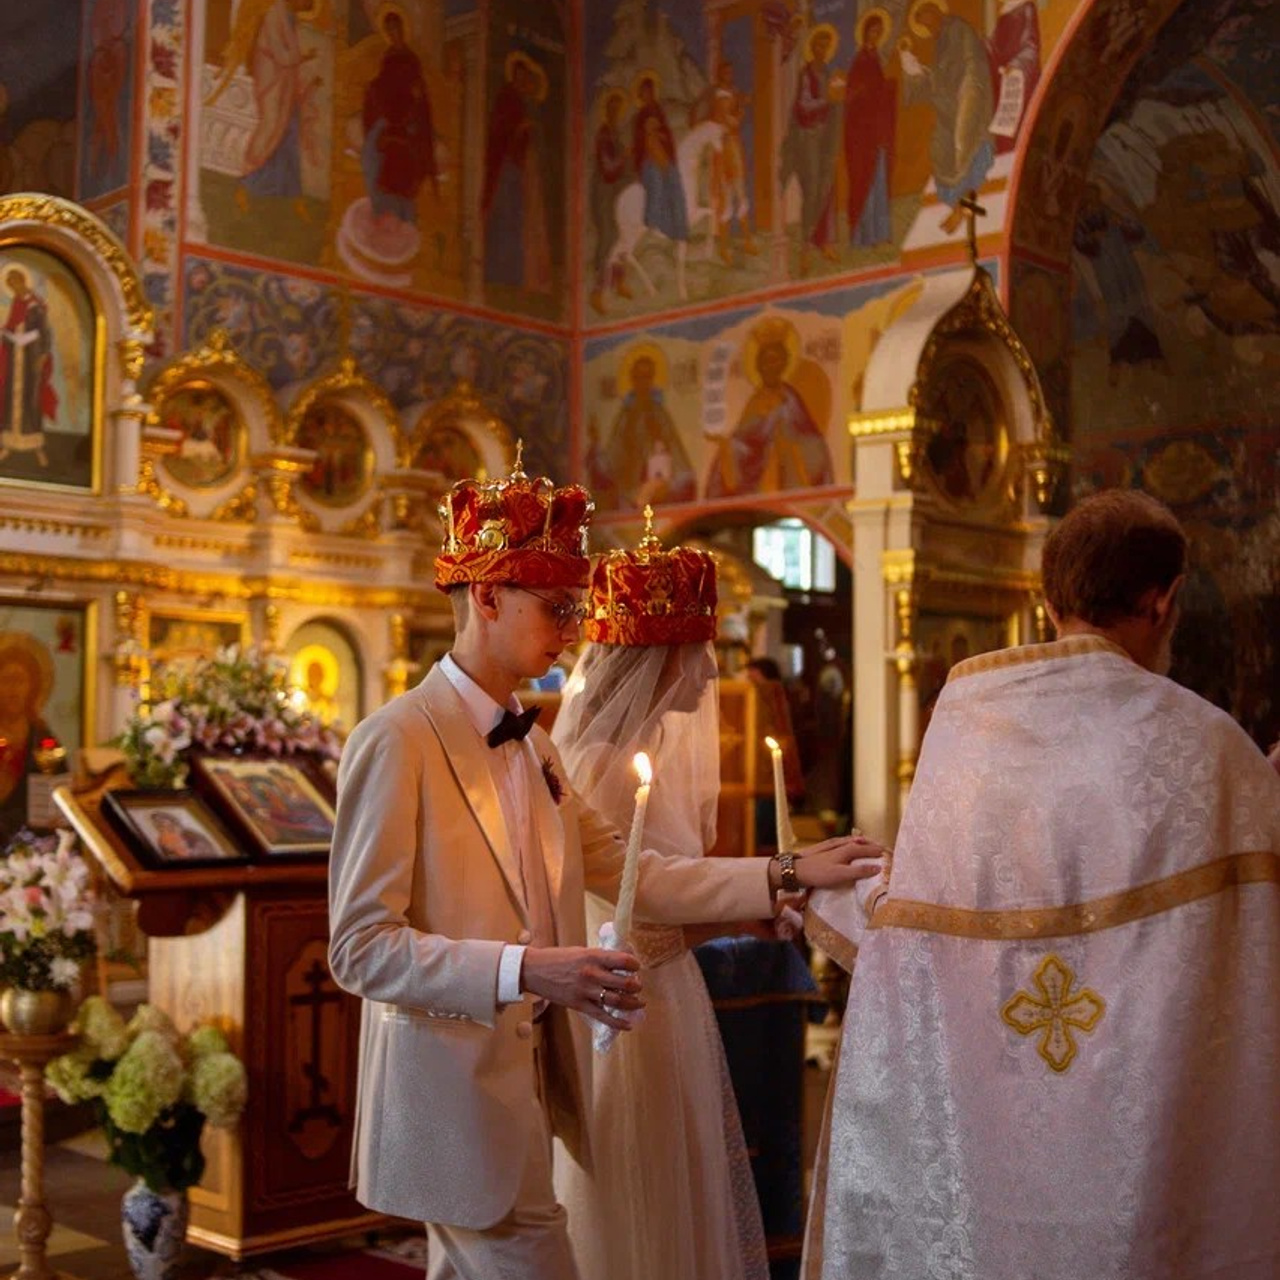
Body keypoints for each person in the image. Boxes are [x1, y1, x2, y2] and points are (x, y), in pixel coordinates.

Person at [327, 450, 884, 1280]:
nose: (574, 627)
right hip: (454, 1097)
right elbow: (361, 949)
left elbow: (636, 873)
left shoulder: (537, 745)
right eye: (556, 606)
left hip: (531, 1094)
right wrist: (528, 971)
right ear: (485, 596)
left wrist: (783, 872)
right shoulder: (397, 740)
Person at [802, 488, 1280, 1280]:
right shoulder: (1208, 748)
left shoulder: (967, 730)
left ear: (1048, 599)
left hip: (996, 1112)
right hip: (1144, 1120)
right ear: (1162, 602)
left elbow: (915, 942)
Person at [550, 521, 769, 1280]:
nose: (711, 678)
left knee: (676, 1197)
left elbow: (668, 909)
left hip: (667, 992)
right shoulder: (602, 763)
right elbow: (644, 894)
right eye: (700, 655)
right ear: (662, 654)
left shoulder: (647, 752)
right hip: (625, 1010)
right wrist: (776, 879)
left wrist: (748, 910)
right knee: (633, 1203)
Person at [899, 1, 994, 235]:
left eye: (926, 17)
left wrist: (968, 93)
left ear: (936, 11)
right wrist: (915, 73)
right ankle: (957, 204)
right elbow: (939, 83)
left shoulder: (958, 28)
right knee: (938, 149)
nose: (927, 26)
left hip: (971, 95)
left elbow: (973, 62)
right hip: (949, 108)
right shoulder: (938, 43)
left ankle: (965, 203)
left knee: (965, 141)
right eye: (922, 23)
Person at [481, 52, 552, 294]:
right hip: (506, 166)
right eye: (519, 76)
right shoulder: (506, 98)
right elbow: (498, 131)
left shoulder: (526, 103)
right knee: (504, 218)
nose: (523, 81)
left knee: (518, 220)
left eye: (526, 77)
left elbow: (538, 141)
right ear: (512, 76)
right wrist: (518, 129)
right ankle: (497, 272)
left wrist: (527, 131)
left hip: (521, 168)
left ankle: (516, 276)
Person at [360, 9, 437, 228]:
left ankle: (403, 217)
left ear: (402, 30)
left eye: (396, 29)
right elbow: (384, 85)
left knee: (401, 159)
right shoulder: (387, 57)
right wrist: (371, 89)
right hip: (388, 115)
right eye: (389, 30)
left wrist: (414, 102)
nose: (393, 34)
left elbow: (417, 91)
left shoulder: (411, 59)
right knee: (370, 154)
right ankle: (380, 208)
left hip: (408, 118)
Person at [779, 24, 841, 272]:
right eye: (819, 45)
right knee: (813, 188)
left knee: (827, 186)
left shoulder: (827, 74)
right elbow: (804, 106)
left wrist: (839, 99)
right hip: (809, 138)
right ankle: (805, 246)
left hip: (826, 137)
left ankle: (824, 241)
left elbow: (835, 104)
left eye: (826, 46)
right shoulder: (807, 75)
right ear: (812, 48)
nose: (822, 49)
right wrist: (828, 100)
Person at [842, 9, 896, 247]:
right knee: (864, 178)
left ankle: (880, 233)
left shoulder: (875, 60)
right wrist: (864, 93)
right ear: (866, 33)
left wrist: (888, 87)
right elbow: (852, 95)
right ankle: (863, 235)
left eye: (880, 32)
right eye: (873, 32)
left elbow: (878, 92)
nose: (876, 36)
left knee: (879, 178)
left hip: (876, 130)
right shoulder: (860, 61)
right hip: (862, 133)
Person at [0, 266, 57, 468]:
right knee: (11, 399)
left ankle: (36, 446)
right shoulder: (17, 303)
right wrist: (6, 334)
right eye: (10, 286)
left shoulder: (36, 305)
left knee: (31, 400)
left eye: (14, 284)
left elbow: (45, 332)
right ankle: (9, 443)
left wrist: (42, 354)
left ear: (22, 281)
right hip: (15, 360)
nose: (13, 289)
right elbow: (12, 328)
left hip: (31, 360)